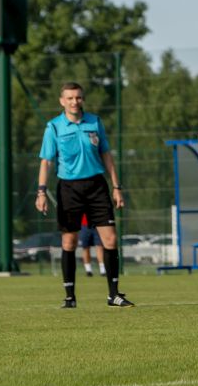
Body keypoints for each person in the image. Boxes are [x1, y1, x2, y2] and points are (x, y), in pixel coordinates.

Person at [36, 82, 132, 308]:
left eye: (78, 98)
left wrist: (116, 187)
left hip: (97, 186)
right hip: (69, 188)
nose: (74, 102)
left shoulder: (95, 122)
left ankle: (114, 294)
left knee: (110, 239)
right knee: (69, 241)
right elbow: (46, 161)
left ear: (82, 99)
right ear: (62, 101)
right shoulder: (54, 127)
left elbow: (106, 155)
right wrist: (41, 192)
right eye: (69, 98)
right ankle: (70, 297)